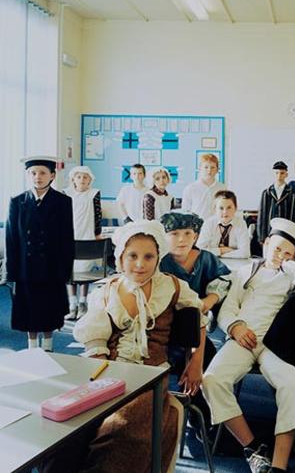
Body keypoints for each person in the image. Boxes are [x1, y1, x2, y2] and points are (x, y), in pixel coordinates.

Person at [67, 220, 208, 473]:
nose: (140, 264)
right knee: (71, 424)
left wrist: (196, 362)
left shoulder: (172, 286)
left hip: (151, 375)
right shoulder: (107, 290)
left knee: (123, 427)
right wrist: (100, 380)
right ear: (121, 257)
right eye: (132, 255)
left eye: (148, 256)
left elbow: (200, 321)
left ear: (158, 258)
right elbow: (96, 339)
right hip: (106, 369)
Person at [202, 218, 295, 473]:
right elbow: (228, 308)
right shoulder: (246, 271)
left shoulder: (292, 277)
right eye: (277, 248)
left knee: (294, 383)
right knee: (211, 379)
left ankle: (278, 466)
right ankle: (253, 447)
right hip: (242, 339)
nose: (280, 255)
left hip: (273, 346)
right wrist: (235, 327)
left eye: (288, 253)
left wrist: (290, 265)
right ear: (266, 243)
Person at [159, 211, 232, 446]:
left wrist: (210, 300)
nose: (181, 239)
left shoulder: (206, 259)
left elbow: (223, 280)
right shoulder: (159, 262)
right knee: (183, 367)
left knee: (212, 365)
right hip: (166, 332)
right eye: (174, 233)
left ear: (196, 235)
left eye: (188, 233)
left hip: (197, 330)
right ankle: (197, 417)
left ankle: (217, 418)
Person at [5, 156, 74, 352]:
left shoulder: (62, 202)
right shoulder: (17, 201)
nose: (37, 177)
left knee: (49, 308)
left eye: (43, 172)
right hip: (25, 268)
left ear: (52, 175)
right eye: (33, 173)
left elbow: (67, 239)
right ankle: (32, 347)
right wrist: (11, 272)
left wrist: (66, 271)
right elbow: (11, 239)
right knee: (29, 310)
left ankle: (49, 346)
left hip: (52, 267)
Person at [64, 166, 103, 320]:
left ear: (90, 180)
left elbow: (98, 214)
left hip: (87, 235)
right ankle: (72, 304)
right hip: (69, 236)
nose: (82, 180)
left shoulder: (94, 194)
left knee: (85, 270)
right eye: (79, 177)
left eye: (85, 177)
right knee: (70, 271)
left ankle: (83, 302)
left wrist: (98, 233)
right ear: (73, 179)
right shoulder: (66, 194)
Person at [197, 190, 251, 258]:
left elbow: (245, 253)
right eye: (221, 208)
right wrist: (221, 250)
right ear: (215, 209)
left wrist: (219, 254)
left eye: (229, 207)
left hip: (236, 263)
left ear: (235, 208)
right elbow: (199, 250)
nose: (225, 212)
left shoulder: (241, 224)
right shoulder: (208, 223)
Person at [257, 161, 295, 245]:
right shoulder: (267, 192)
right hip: (269, 232)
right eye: (276, 173)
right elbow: (262, 215)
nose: (279, 176)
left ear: (286, 174)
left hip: (285, 232)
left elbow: (292, 215)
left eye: (282, 173)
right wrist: (262, 237)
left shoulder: (291, 193)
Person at [182, 153, 226, 221]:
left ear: (217, 170)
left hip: (215, 226)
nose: (209, 170)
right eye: (206, 167)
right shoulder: (190, 188)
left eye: (212, 167)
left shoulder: (222, 188)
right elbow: (185, 212)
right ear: (200, 169)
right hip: (196, 227)